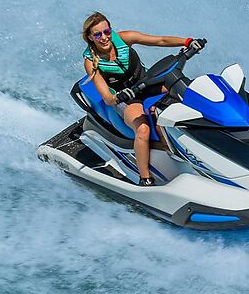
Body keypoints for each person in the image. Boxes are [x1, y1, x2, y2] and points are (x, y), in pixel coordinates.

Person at [81, 11, 204, 186]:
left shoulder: (124, 38)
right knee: (143, 130)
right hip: (126, 98)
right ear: (90, 37)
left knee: (185, 92)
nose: (104, 37)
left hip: (147, 84)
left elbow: (160, 41)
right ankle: (145, 178)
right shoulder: (90, 62)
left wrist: (187, 42)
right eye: (98, 34)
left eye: (107, 32)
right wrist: (119, 96)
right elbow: (107, 97)